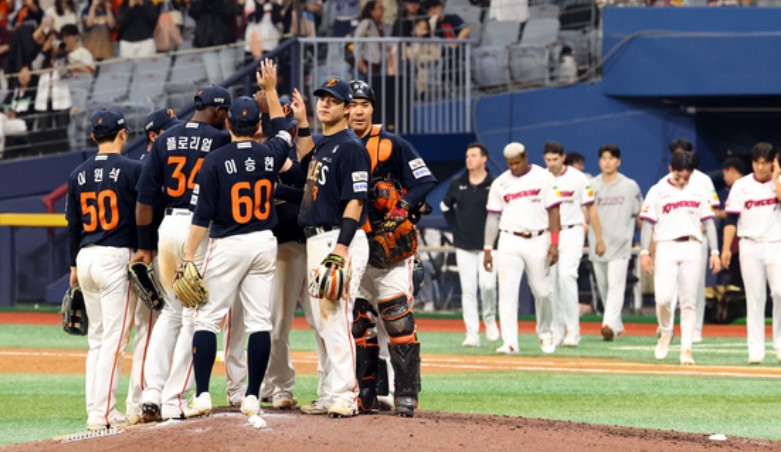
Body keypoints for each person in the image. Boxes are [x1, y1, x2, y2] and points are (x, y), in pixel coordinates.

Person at [183, 61, 295, 422]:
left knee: (206, 319)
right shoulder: (270, 154)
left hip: (228, 243)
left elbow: (202, 216)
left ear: (229, 123)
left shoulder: (215, 160)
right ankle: (251, 397)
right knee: (259, 322)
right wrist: (272, 91)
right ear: (257, 125)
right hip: (263, 242)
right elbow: (284, 131)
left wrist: (188, 255)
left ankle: (202, 394)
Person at [134, 85, 233, 422]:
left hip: (168, 227)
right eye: (225, 111)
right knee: (196, 315)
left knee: (170, 313)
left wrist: (144, 246)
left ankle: (151, 393)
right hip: (199, 230)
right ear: (217, 111)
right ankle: (173, 399)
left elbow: (144, 200)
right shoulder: (220, 139)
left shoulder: (164, 139)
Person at [348, 80, 435, 416]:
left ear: (373, 108)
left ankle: (406, 394)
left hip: (390, 247)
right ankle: (367, 393)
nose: (359, 111)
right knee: (359, 323)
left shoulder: (392, 143)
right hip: (354, 245)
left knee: (398, 320)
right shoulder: (337, 145)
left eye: (365, 105)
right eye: (353, 105)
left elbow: (424, 181)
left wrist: (402, 208)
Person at [294, 77, 370, 418]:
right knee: (323, 323)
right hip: (317, 240)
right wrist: (301, 123)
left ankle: (345, 395)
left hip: (338, 239)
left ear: (347, 108)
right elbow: (304, 164)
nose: (324, 104)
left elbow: (356, 200)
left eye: (333, 100)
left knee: (335, 318)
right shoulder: (326, 144)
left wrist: (341, 247)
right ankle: (328, 393)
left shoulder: (351, 147)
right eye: (321, 98)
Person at [65, 107, 141, 430]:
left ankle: (95, 409)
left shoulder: (77, 174)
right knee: (114, 338)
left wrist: (73, 266)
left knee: (97, 339)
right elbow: (142, 214)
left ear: (93, 137)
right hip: (115, 257)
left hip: (85, 257)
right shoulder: (132, 169)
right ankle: (103, 413)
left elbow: (73, 226)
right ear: (123, 134)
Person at [124, 108, 180, 424]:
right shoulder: (150, 165)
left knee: (149, 329)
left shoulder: (147, 164)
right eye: (168, 130)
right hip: (150, 257)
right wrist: (143, 249)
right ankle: (140, 401)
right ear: (154, 135)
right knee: (149, 329)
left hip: (148, 254)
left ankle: (142, 400)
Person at [640, 151, 721, 366]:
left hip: (693, 246)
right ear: (670, 169)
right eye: (678, 176)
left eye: (687, 177)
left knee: (689, 301)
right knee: (663, 298)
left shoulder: (698, 190)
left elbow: (709, 222)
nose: (683, 181)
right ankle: (666, 331)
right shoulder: (657, 190)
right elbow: (648, 223)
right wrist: (645, 252)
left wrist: (715, 252)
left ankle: (687, 349)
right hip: (666, 245)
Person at [484, 142, 561, 355]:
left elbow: (554, 211)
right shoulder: (500, 183)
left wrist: (555, 243)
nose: (514, 167)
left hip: (539, 237)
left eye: (517, 163)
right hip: (509, 239)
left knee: (542, 291)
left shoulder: (544, 177)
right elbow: (493, 217)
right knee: (507, 292)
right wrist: (488, 248)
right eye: (510, 164)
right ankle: (510, 341)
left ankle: (545, 333)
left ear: (526, 158)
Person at [721, 143, 781, 364]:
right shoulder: (741, 185)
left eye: (765, 162)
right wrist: (726, 248)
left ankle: (779, 344)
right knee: (755, 297)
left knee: (779, 292)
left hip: (776, 243)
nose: (761, 167)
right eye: (757, 162)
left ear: (772, 162)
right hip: (749, 244)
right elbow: (731, 219)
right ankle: (756, 350)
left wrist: (777, 177)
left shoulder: (779, 182)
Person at [661, 138, 720, 343]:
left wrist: (701, 228)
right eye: (676, 154)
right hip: (670, 240)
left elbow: (712, 210)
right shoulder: (665, 181)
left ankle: (695, 330)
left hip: (697, 238)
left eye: (683, 153)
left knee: (695, 286)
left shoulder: (703, 180)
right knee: (669, 287)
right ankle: (667, 327)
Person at [441, 142, 499, 348]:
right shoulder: (458, 182)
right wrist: (455, 231)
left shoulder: (495, 183)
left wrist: (494, 239)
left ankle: (490, 318)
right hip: (464, 244)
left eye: (474, 155)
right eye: (467, 156)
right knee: (468, 289)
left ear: (484, 159)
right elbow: (445, 207)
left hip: (489, 245)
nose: (469, 159)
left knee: (488, 285)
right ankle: (472, 332)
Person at [544, 141, 598, 347]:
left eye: (555, 159)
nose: (551, 163)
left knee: (567, 276)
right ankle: (556, 331)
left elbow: (590, 207)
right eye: (548, 159)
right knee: (551, 284)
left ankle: (573, 330)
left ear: (563, 158)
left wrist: (598, 237)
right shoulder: (541, 178)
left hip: (572, 230)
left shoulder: (578, 178)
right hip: (549, 234)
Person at [589, 145, 643, 340]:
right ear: (599, 162)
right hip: (598, 245)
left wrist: (647, 243)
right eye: (603, 158)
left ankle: (608, 324)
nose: (607, 162)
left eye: (611, 158)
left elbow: (639, 215)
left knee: (615, 285)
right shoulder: (591, 185)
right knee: (604, 287)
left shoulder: (630, 186)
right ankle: (616, 326)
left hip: (621, 244)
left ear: (618, 162)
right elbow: (586, 213)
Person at [353, 0, 388, 78]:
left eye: (382, 8)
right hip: (368, 61)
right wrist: (359, 60)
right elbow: (357, 41)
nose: (382, 10)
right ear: (371, 11)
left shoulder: (381, 24)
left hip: (378, 62)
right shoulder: (366, 23)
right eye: (379, 8)